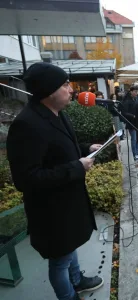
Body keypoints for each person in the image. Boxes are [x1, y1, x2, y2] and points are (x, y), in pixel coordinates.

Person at [6, 62, 104, 300]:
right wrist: (76, 167)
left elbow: (59, 150)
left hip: (67, 203)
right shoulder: (26, 125)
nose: (71, 90)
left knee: (69, 249)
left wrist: (85, 148)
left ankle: (78, 281)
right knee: (59, 261)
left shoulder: (57, 114)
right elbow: (26, 178)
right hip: (51, 211)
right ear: (49, 90)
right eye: (64, 85)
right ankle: (68, 296)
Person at [123, 85, 138, 160]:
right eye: (135, 92)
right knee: (134, 139)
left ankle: (136, 152)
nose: (136, 93)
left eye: (137, 92)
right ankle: (135, 154)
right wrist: (133, 116)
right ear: (131, 92)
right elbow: (124, 113)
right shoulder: (127, 100)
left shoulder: (136, 99)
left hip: (137, 122)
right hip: (131, 123)